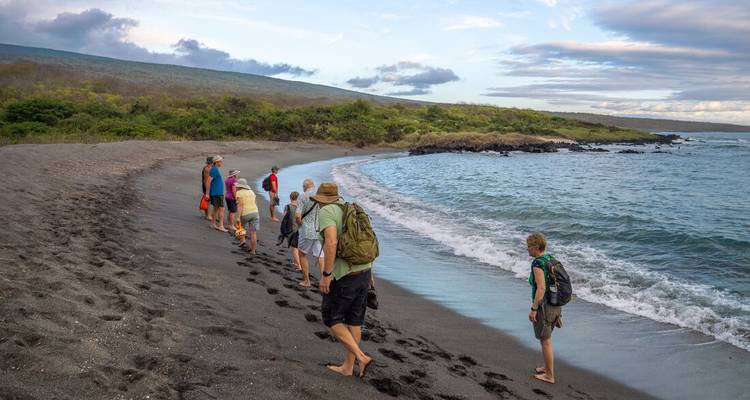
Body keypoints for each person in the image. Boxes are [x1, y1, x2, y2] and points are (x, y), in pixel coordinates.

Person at [314, 182, 374, 379]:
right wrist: (370, 275)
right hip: (364, 271)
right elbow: (365, 242)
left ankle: (361, 357)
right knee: (353, 321)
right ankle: (348, 367)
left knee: (332, 317)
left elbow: (331, 242)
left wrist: (326, 275)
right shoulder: (352, 209)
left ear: (321, 200)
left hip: (344, 275)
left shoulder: (327, 212)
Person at [527, 232, 562, 384]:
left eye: (529, 247)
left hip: (544, 307)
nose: (527, 250)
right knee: (547, 339)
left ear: (536, 247)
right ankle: (546, 368)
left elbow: (541, 288)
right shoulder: (550, 259)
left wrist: (534, 308)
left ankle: (549, 376)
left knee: (545, 341)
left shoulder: (537, 263)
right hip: (555, 305)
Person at [296, 179, 324, 288]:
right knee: (320, 256)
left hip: (306, 230)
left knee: (302, 254)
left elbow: (298, 215)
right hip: (319, 229)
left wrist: (299, 224)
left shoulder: (302, 196)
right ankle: (324, 280)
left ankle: (306, 281)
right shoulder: (321, 195)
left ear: (305, 186)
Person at [235, 178, 259, 255]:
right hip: (255, 212)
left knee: (240, 227)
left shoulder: (239, 193)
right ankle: (253, 250)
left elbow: (240, 206)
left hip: (245, 213)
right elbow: (255, 202)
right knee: (253, 233)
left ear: (240, 186)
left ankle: (242, 241)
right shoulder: (251, 192)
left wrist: (238, 217)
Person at [204, 155, 227, 232]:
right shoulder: (214, 170)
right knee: (221, 209)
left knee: (216, 209)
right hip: (217, 193)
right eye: (221, 161)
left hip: (217, 192)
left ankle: (213, 224)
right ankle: (220, 225)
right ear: (217, 162)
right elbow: (208, 181)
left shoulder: (215, 169)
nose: (222, 162)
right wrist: (207, 193)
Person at [282, 191, 301, 269]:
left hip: (290, 229)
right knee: (298, 246)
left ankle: (299, 265)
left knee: (294, 248)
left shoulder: (288, 206)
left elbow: (284, 217)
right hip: (300, 229)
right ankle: (296, 261)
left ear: (290, 198)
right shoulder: (300, 207)